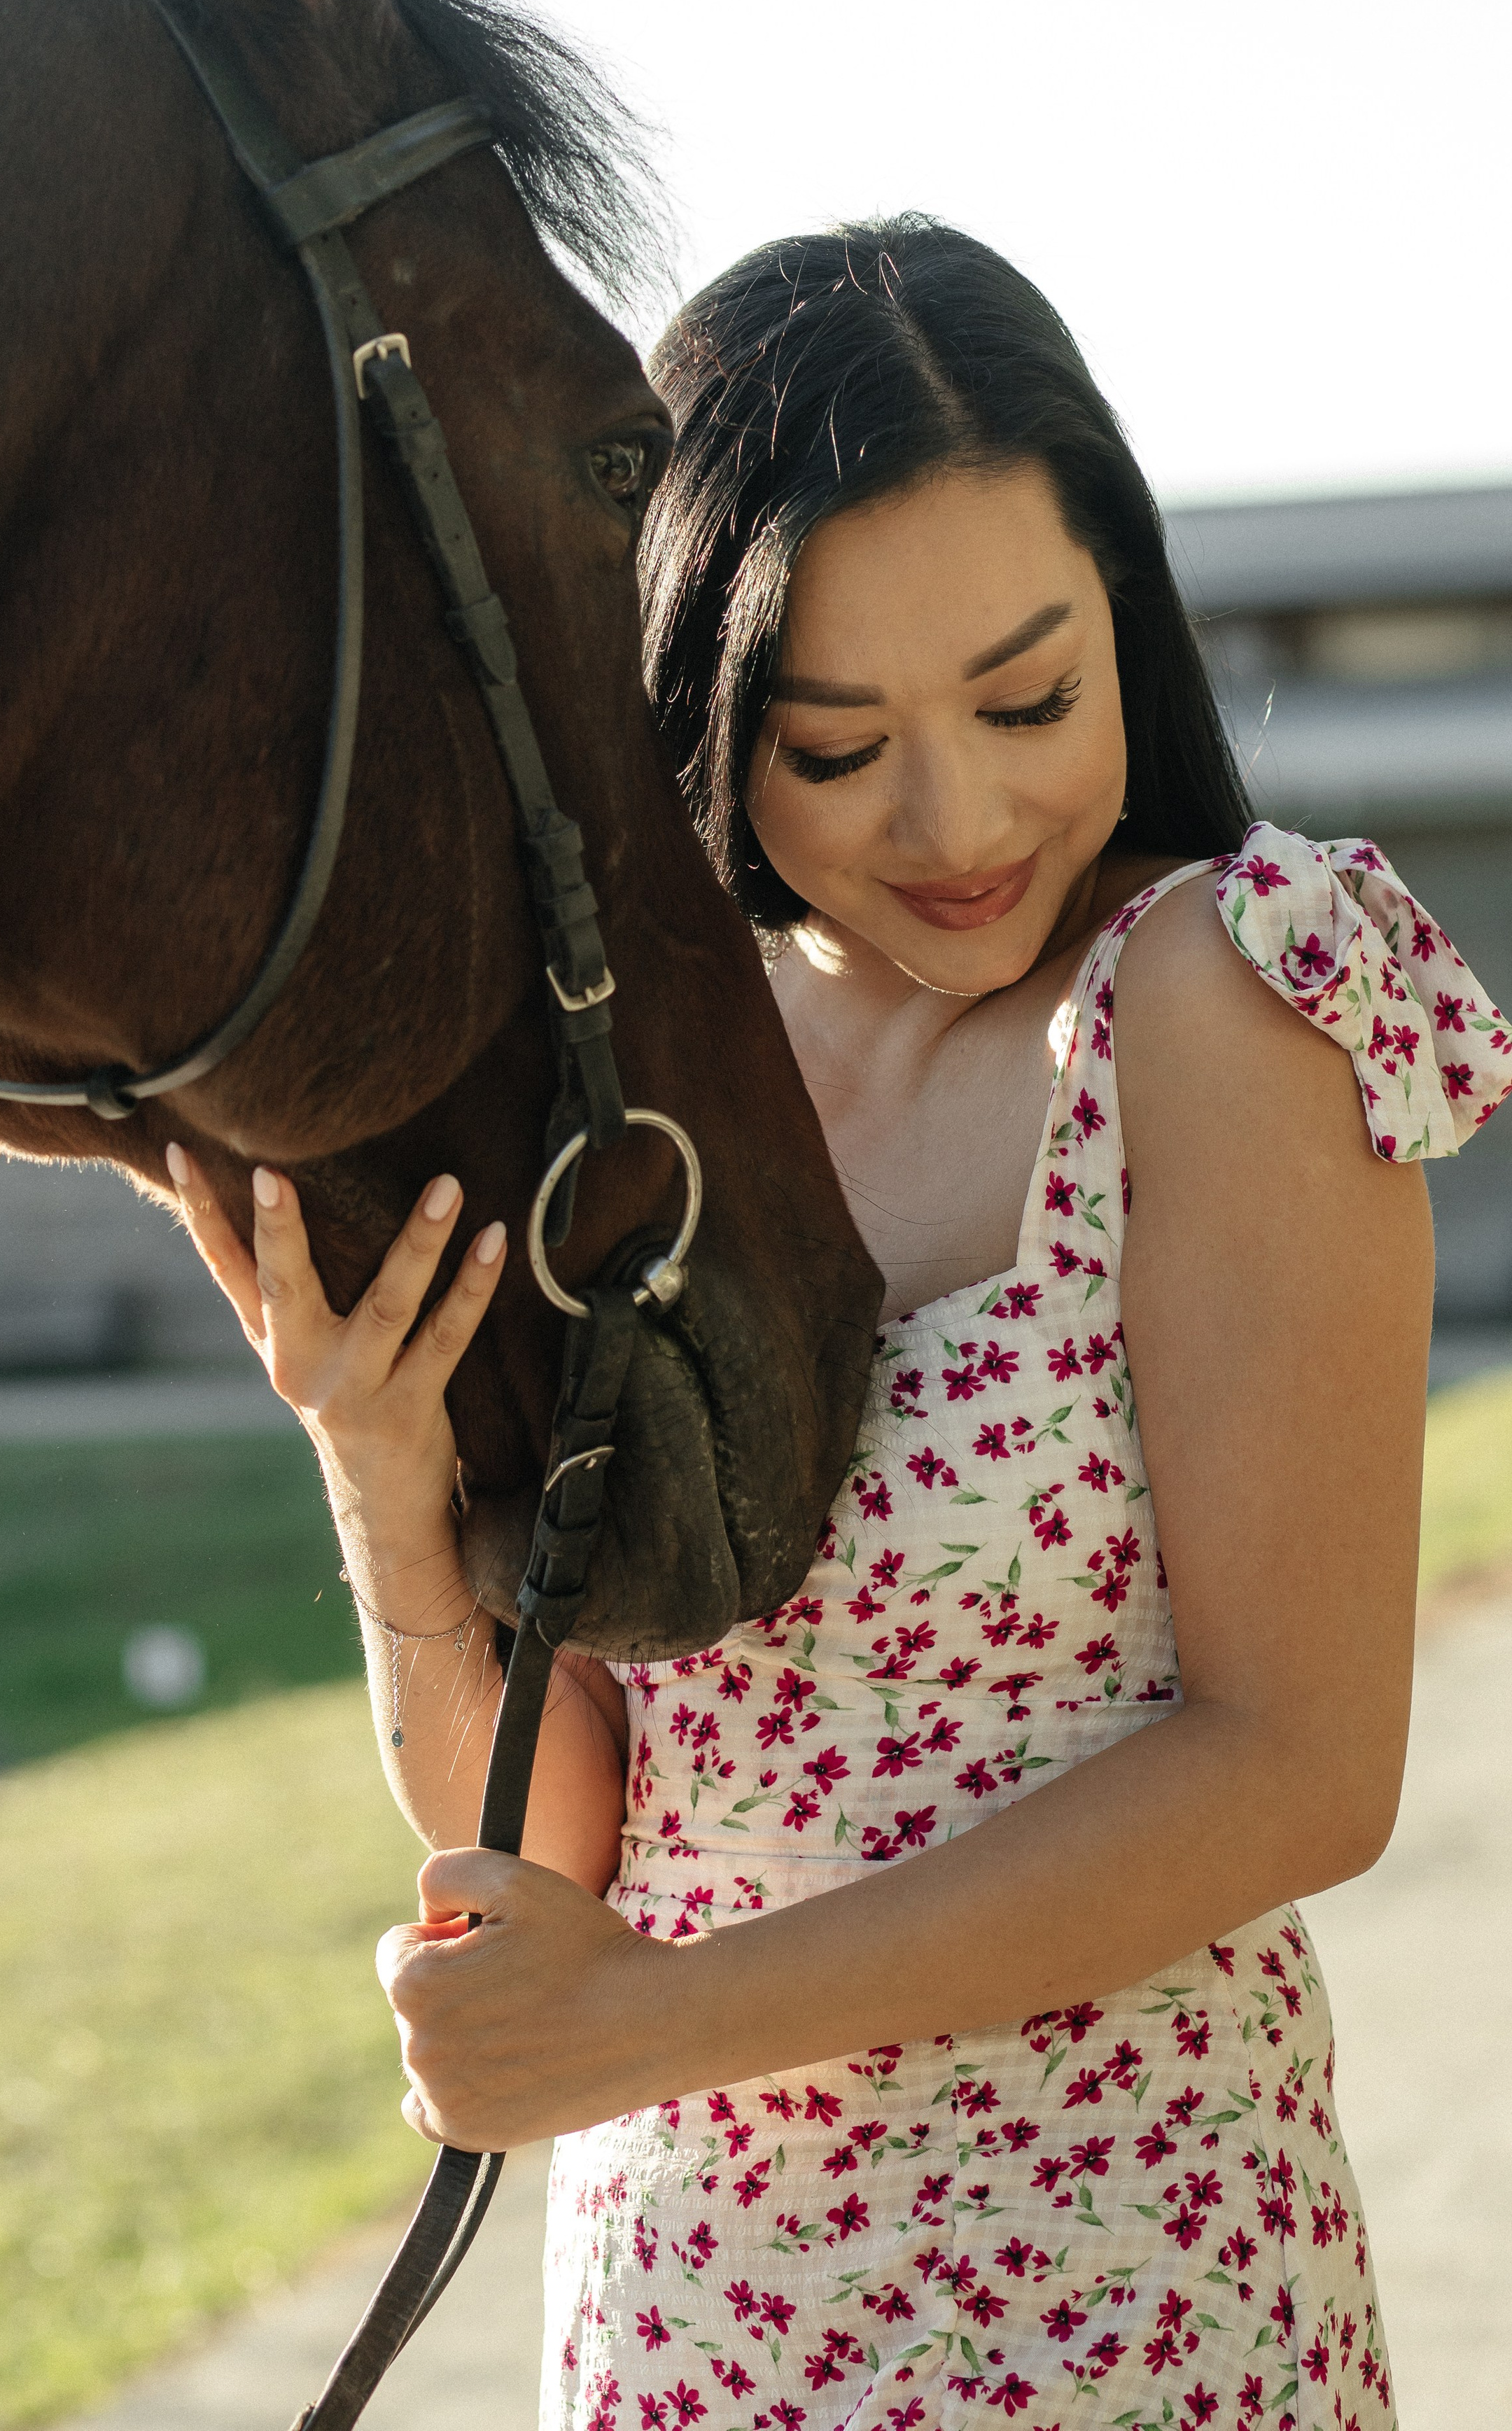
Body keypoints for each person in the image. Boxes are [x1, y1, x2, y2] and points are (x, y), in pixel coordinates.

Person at [166, 217, 1512, 2430]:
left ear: (1127, 633)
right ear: (701, 713)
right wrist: (390, 1486)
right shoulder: (664, 1080)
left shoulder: (1223, 997)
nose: (958, 816)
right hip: (690, 2313)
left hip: (1118, 2300)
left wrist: (651, 2028)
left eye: (1028, 696)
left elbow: (1295, 1770)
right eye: (837, 739)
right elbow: (572, 1835)